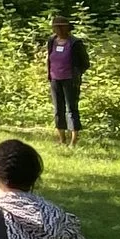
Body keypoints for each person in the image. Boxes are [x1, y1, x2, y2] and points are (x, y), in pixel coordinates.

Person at [45, 16, 89, 148]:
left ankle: (73, 141)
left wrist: (76, 74)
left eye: (60, 27)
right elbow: (49, 57)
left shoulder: (75, 43)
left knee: (71, 109)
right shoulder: (52, 41)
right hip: (54, 79)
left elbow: (85, 63)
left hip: (70, 80)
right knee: (58, 109)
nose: (57, 29)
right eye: (55, 27)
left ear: (66, 28)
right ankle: (62, 139)